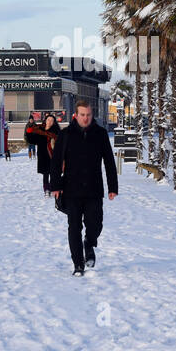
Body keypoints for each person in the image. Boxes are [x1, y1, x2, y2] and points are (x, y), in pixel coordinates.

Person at [49, 100, 118, 276]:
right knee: (74, 227)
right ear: (76, 115)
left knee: (95, 224)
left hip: (94, 189)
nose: (86, 118)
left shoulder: (100, 134)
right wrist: (55, 186)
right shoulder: (66, 134)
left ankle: (89, 242)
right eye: (82, 115)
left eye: (88, 115)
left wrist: (113, 187)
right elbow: (56, 162)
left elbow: (109, 161)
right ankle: (78, 264)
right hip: (71, 189)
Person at [26, 113, 60, 194]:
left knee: (53, 173)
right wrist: (29, 133)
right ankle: (46, 189)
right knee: (45, 173)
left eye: (52, 120)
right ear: (45, 120)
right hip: (43, 155)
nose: (50, 122)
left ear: (54, 122)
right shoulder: (39, 130)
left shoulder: (56, 131)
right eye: (48, 120)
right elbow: (32, 141)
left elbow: (61, 143)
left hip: (53, 155)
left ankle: (53, 188)